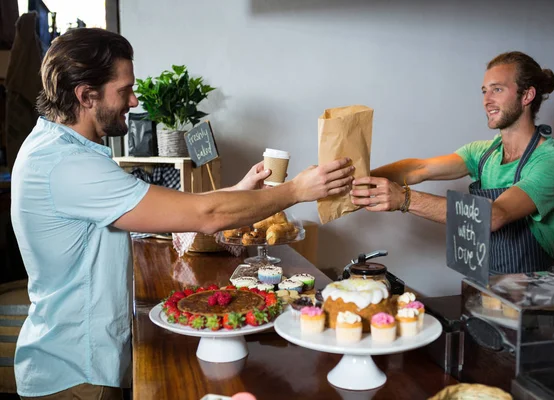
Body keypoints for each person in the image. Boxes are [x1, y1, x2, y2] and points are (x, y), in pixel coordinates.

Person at [10, 28, 354, 399]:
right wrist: (297, 191)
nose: (134, 99)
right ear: (86, 95)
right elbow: (205, 215)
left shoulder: (54, 148)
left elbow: (179, 206)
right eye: (124, 90)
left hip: (70, 358)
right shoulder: (68, 165)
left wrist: (237, 192)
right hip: (76, 372)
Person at [351, 51, 554, 276]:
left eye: (497, 89)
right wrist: (355, 182)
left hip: (531, 293)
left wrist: (404, 198)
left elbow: (495, 215)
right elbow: (418, 168)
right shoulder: (483, 153)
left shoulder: (553, 163)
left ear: (527, 96)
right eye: (484, 91)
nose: (487, 101)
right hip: (481, 287)